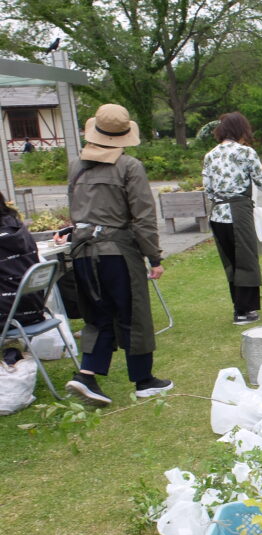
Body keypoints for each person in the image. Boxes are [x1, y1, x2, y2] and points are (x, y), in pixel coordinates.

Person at [63, 103, 172, 406]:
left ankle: (87, 375)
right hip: (117, 252)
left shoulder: (76, 166)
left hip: (82, 251)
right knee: (133, 314)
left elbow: (75, 208)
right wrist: (154, 257)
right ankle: (144, 380)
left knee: (98, 315)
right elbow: (143, 216)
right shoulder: (129, 166)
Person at [202, 112, 262, 325]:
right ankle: (244, 310)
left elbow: (208, 190)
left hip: (218, 213)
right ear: (241, 130)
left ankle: (237, 306)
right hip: (239, 211)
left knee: (230, 262)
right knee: (246, 261)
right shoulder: (246, 153)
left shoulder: (210, 155)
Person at [0, 191, 45, 328]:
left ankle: (10, 347)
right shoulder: (17, 226)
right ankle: (11, 347)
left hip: (8, 313)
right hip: (33, 306)